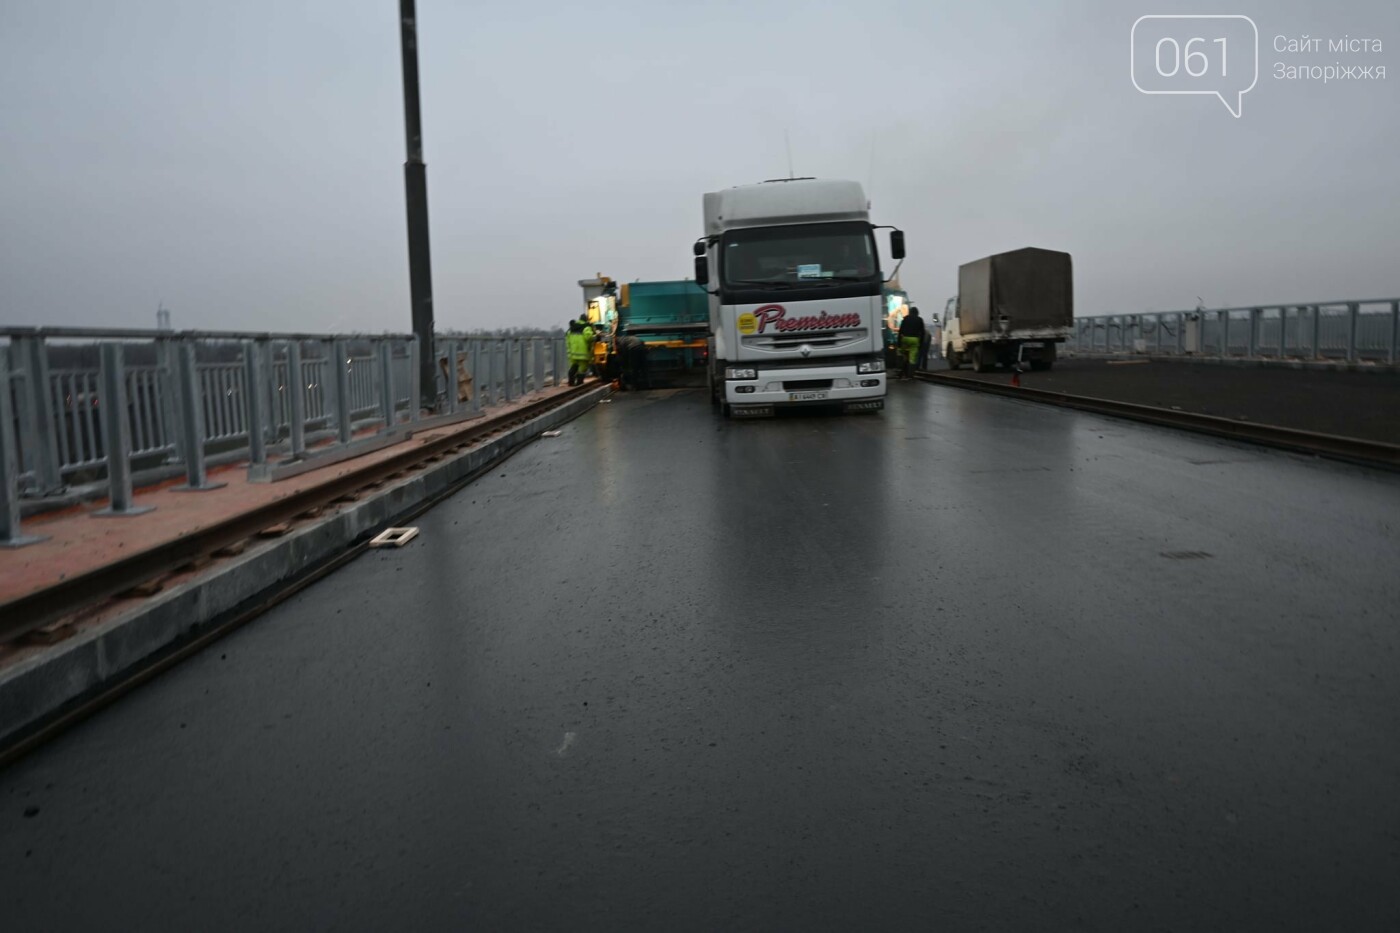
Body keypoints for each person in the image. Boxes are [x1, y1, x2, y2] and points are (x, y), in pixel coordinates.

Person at [897, 306, 926, 380]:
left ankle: (901, 370)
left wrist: (899, 343)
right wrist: (921, 343)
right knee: (912, 358)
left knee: (903, 354)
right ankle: (910, 375)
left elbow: (900, 331)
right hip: (914, 340)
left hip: (905, 339)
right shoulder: (920, 320)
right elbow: (922, 333)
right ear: (917, 313)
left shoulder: (905, 318)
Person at [566, 319, 591, 386]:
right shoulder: (586, 328)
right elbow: (589, 338)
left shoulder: (570, 330)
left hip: (573, 353)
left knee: (573, 367)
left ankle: (571, 382)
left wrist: (569, 352)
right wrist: (595, 337)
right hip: (583, 353)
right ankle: (579, 383)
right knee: (582, 369)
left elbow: (568, 342)